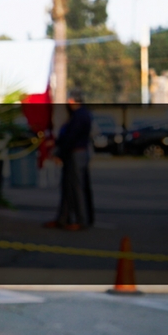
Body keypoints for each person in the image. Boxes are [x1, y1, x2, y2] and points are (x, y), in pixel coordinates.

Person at [46, 90, 95, 230]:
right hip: (74, 153)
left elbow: (71, 137)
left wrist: (59, 152)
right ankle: (64, 218)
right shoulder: (79, 114)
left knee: (76, 187)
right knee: (68, 187)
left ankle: (81, 220)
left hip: (76, 153)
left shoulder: (79, 116)